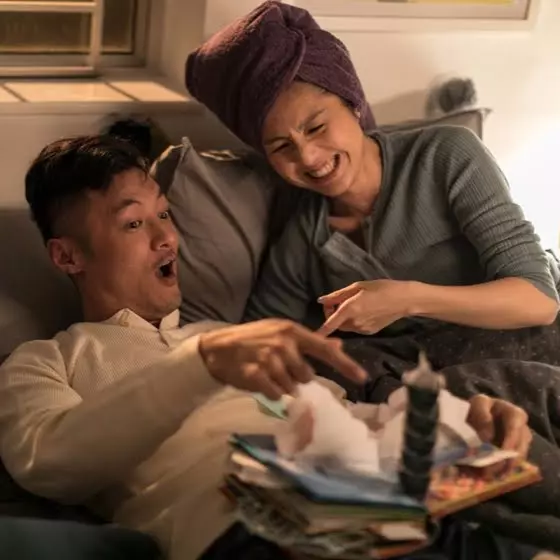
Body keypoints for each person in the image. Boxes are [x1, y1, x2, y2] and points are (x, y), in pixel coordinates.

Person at [0, 134, 552, 560]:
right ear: (67, 256)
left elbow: (350, 417)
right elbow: (49, 464)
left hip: (385, 503)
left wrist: (459, 427)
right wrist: (198, 367)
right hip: (256, 531)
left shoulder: (219, 336)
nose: (166, 237)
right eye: (133, 223)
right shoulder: (46, 361)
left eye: (164, 213)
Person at [185, 0, 560, 338]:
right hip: (423, 375)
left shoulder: (445, 155)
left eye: (316, 127)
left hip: (529, 340)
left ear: (353, 103)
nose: (309, 157)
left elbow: (539, 300)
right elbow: (260, 336)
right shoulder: (304, 235)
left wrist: (408, 299)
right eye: (282, 146)